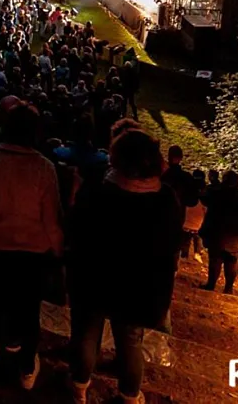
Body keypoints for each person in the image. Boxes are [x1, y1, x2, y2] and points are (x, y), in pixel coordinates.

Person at [68, 129, 183, 404]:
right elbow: (171, 249)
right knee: (130, 341)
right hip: (139, 288)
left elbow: (76, 229)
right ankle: (130, 395)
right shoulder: (166, 200)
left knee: (85, 334)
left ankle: (79, 386)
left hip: (92, 279)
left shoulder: (97, 189)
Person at [0, 103, 64, 388]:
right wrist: (58, 253)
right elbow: (52, 221)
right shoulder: (44, 169)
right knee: (28, 310)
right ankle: (26, 368)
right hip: (32, 254)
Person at [201, 170, 238, 294]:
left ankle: (211, 285)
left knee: (215, 258)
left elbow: (204, 199)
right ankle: (228, 288)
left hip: (217, 232)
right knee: (231, 261)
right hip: (237, 235)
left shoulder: (216, 194)